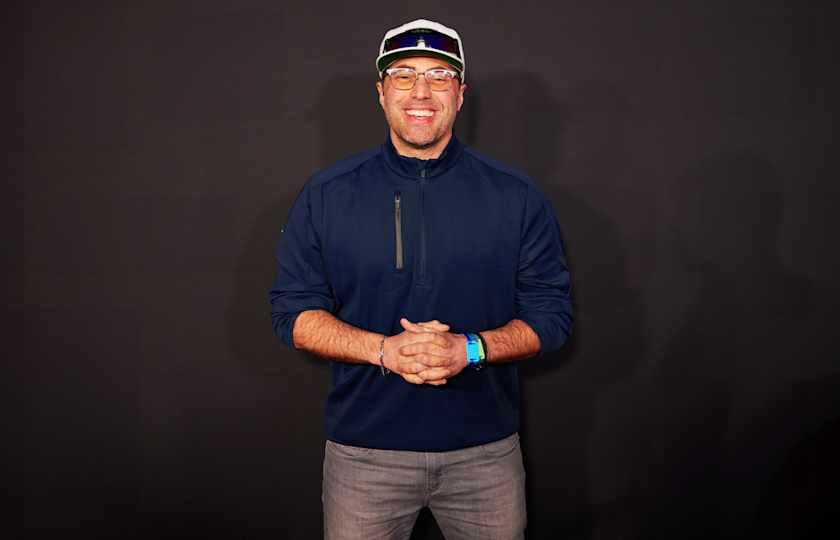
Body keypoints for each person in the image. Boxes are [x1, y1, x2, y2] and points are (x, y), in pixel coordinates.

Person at [269, 18, 572, 540]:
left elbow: (552, 316)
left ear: (460, 94)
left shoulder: (516, 196)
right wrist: (383, 351)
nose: (421, 92)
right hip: (364, 457)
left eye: (439, 76)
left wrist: (469, 350)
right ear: (381, 92)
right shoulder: (327, 194)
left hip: (485, 456)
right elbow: (291, 314)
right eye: (404, 75)